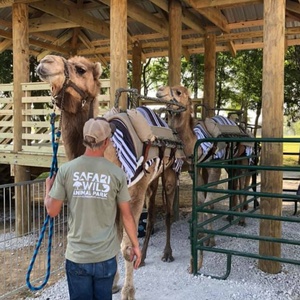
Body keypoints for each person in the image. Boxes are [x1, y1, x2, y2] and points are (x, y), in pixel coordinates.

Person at [44, 117, 141, 300]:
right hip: (105, 259)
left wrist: (48, 188)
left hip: (77, 257)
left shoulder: (67, 170)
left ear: (84, 140)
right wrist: (135, 245)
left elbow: (52, 210)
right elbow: (127, 216)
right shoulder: (117, 174)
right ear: (106, 142)